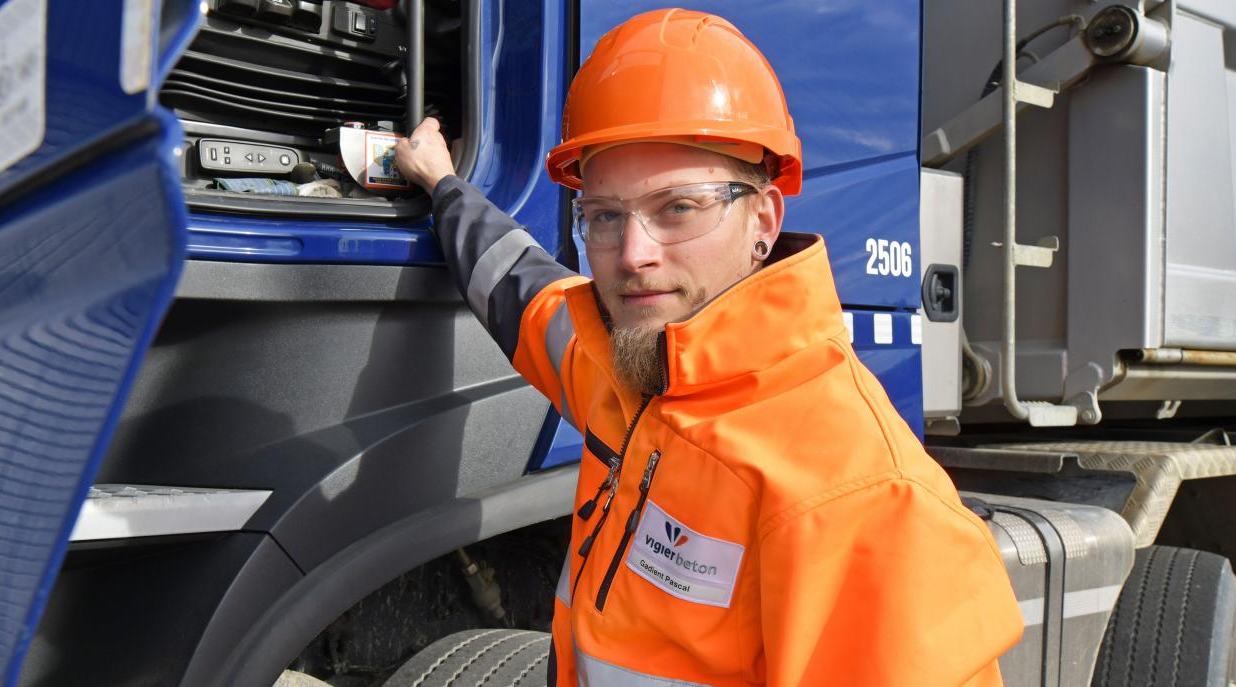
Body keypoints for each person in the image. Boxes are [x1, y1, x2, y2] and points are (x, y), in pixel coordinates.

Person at [391, 8, 1022, 686]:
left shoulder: (856, 493)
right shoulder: (624, 371)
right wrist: (444, 185)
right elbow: (519, 288)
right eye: (604, 215)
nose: (634, 256)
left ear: (764, 219)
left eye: (678, 208)